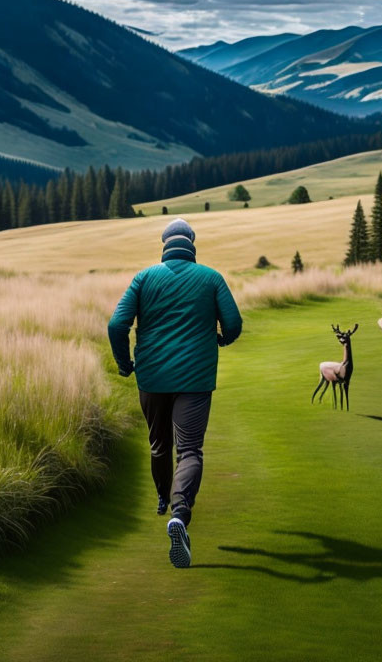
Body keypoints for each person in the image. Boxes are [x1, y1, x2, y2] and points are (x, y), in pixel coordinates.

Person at [108, 218, 242, 568]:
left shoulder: (144, 278)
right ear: (192, 245)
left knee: (159, 445)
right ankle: (180, 513)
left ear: (164, 244)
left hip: (151, 378)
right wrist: (221, 339)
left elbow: (116, 324)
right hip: (195, 379)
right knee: (191, 450)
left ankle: (161, 497)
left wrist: (125, 364)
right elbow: (234, 324)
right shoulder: (211, 278)